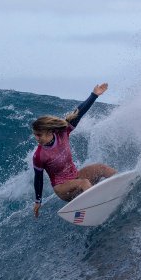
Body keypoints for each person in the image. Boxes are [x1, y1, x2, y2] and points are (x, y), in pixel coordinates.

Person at [32, 83, 116, 218]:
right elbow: (38, 178)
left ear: (48, 131)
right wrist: (38, 201)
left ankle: (126, 185)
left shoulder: (63, 133)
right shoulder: (39, 155)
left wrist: (94, 95)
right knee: (84, 183)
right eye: (35, 134)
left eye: (39, 134)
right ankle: (97, 207)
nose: (36, 138)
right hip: (62, 189)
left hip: (75, 177)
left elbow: (79, 112)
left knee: (102, 168)